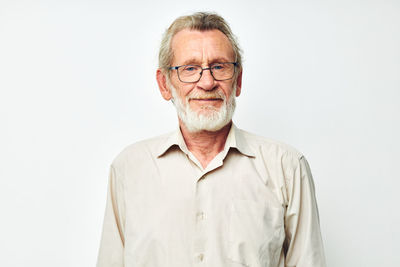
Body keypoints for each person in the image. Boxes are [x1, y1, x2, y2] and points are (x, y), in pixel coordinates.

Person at [97, 12, 326, 267]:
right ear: (164, 84)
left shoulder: (287, 167)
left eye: (219, 66)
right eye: (190, 68)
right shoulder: (129, 168)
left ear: (238, 80)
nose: (207, 82)